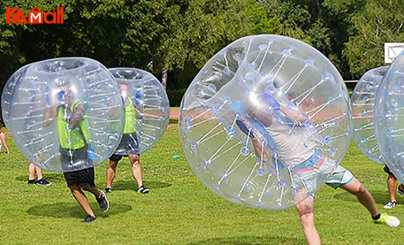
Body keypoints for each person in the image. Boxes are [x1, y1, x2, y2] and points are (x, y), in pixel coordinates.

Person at [236, 91, 400, 245]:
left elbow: (302, 119)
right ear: (252, 114)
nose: (265, 110)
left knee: (360, 190)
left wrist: (280, 105)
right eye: (260, 109)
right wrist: (252, 137)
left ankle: (377, 216)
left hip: (320, 162)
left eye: (266, 106)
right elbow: (264, 158)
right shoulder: (258, 131)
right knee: (306, 218)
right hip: (299, 174)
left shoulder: (283, 115)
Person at [44, 78, 109, 223]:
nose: (63, 93)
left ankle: (99, 195)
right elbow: (46, 122)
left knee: (86, 185)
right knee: (73, 186)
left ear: (71, 91)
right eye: (60, 90)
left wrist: (66, 106)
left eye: (65, 90)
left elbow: (74, 122)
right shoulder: (58, 107)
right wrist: (54, 107)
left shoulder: (79, 105)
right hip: (65, 151)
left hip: (81, 150)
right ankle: (90, 215)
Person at [105, 82, 149, 194]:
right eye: (121, 90)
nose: (123, 92)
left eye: (125, 90)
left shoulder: (132, 101)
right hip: (118, 135)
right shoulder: (113, 101)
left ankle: (140, 186)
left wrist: (137, 106)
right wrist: (119, 106)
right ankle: (108, 187)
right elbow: (110, 115)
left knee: (135, 160)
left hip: (131, 135)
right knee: (113, 163)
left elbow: (139, 116)